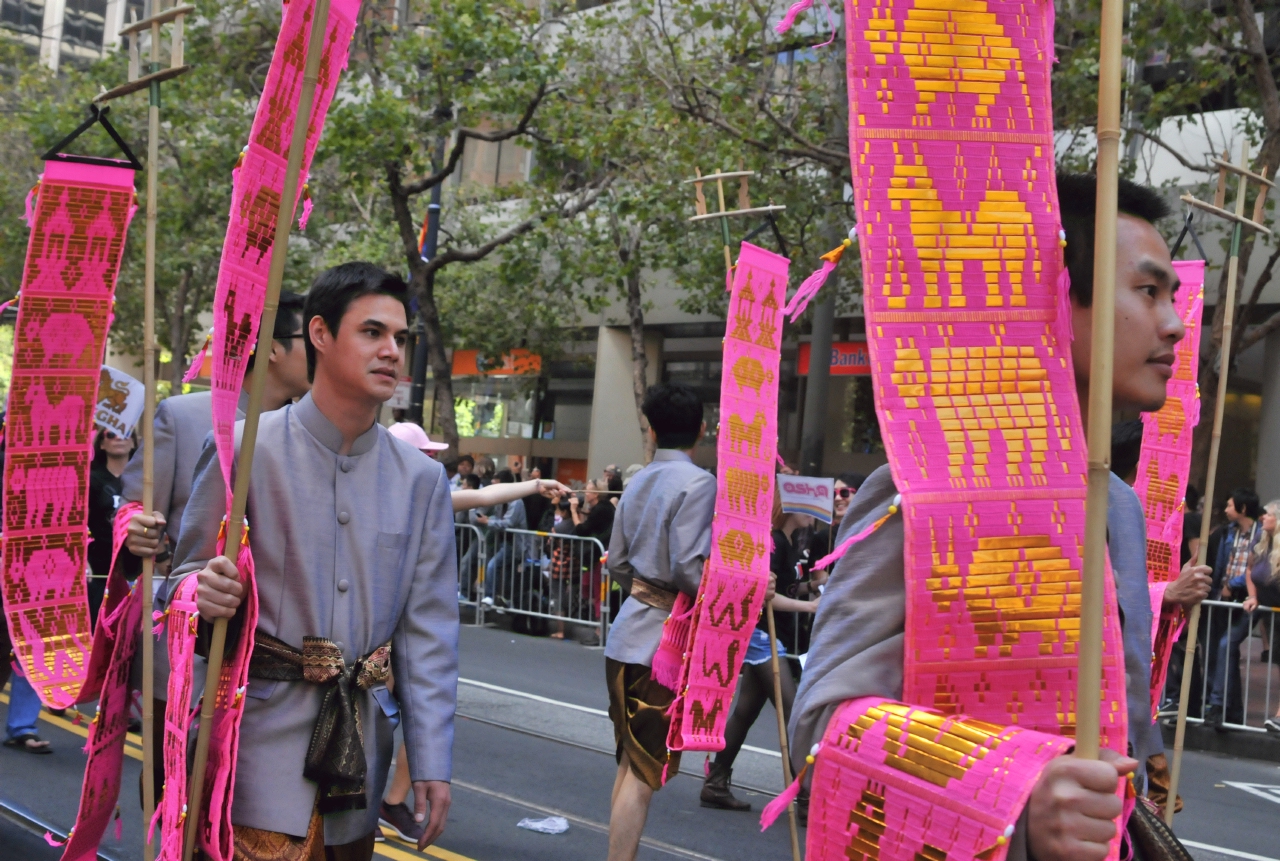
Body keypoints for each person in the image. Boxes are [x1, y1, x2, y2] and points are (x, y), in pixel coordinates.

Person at [790, 173, 1213, 860]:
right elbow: (823, 727)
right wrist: (1015, 794)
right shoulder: (921, 491)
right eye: (1147, 291)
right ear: (1055, 298)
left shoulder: (1124, 512)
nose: (1173, 323)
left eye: (1174, 297)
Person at [172, 262, 458, 856]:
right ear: (320, 335)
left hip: (361, 767)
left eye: (400, 339)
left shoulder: (422, 480)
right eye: (372, 332)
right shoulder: (247, 448)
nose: (391, 353)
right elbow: (174, 584)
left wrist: (430, 760)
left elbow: (429, 634)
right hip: (254, 756)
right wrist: (198, 591)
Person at [122, 290, 311, 799]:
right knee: (174, 792)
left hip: (276, 668)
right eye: (308, 341)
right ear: (273, 347)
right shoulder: (183, 416)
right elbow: (132, 509)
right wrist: (136, 530)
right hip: (189, 652)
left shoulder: (309, 435)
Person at [377, 444, 567, 843]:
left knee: (415, 717)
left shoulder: (424, 493)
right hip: (374, 635)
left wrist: (534, 484)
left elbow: (481, 497)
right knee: (375, 721)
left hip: (406, 633)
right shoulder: (375, 494)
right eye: (424, 452)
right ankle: (370, 806)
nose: (431, 460)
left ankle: (389, 804)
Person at [603, 382, 722, 861]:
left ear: (651, 430)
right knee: (645, 772)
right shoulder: (700, 483)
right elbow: (689, 568)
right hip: (662, 649)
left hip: (625, 635)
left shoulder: (638, 480)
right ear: (701, 429)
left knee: (630, 764)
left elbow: (616, 564)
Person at [700, 492, 818, 811]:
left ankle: (715, 782)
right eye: (807, 506)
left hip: (769, 634)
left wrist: (815, 586)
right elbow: (763, 594)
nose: (814, 514)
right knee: (793, 711)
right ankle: (807, 795)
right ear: (789, 507)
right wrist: (809, 606)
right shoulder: (773, 542)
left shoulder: (790, 542)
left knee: (746, 710)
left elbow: (785, 588)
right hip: (760, 633)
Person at [1208, 499, 1279, 730]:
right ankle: (1220, 705)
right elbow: (1250, 569)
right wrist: (1252, 596)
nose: (1263, 517)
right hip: (1262, 604)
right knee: (1227, 643)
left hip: (1276, 608)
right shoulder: (1260, 539)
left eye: (1267, 515)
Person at [1203, 488, 1264, 725]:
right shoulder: (1228, 533)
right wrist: (1220, 589)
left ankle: (1218, 705)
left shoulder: (1262, 535)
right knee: (1224, 650)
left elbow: (1255, 569)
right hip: (1225, 598)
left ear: (1243, 508)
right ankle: (1232, 711)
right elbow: (1221, 564)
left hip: (1249, 599)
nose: (1226, 510)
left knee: (1226, 645)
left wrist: (1233, 584)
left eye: (1230, 505)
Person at [87, 427, 134, 626]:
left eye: (125, 434)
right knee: (99, 626)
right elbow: (81, 523)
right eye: (111, 434)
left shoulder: (144, 481)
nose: (119, 438)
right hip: (98, 569)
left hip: (135, 567)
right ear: (102, 443)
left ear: (133, 443)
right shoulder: (91, 479)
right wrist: (83, 561)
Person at [477, 470, 528, 608]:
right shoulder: (501, 499)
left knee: (493, 565)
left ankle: (489, 596)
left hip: (514, 544)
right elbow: (499, 519)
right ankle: (504, 601)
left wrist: (488, 522)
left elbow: (508, 523)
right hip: (504, 541)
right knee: (505, 573)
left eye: (497, 485)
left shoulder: (516, 502)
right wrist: (489, 519)